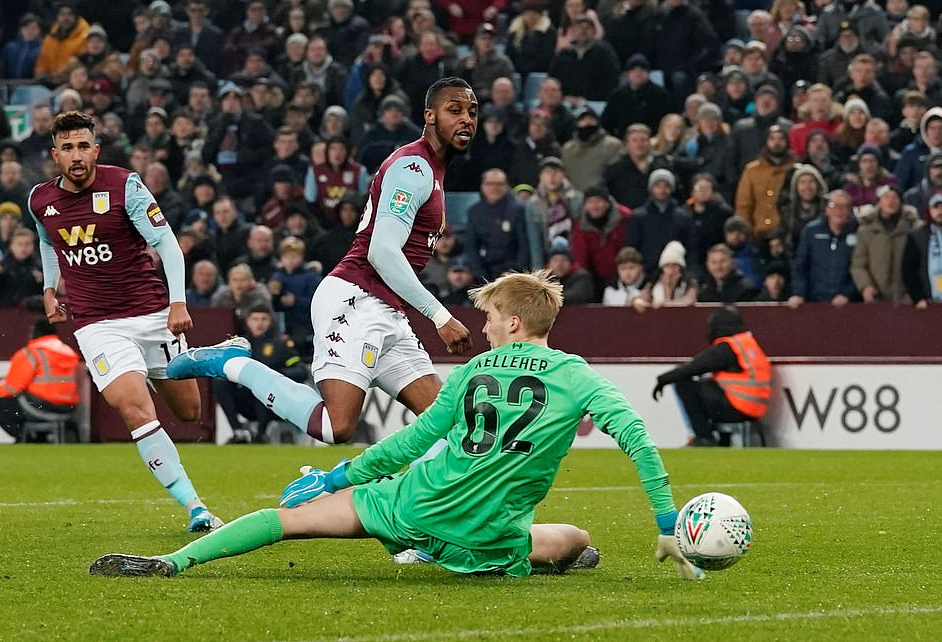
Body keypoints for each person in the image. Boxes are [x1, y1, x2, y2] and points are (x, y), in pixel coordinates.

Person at [90, 270, 703, 581]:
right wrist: (667, 524)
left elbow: (410, 442)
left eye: (490, 315)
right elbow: (640, 442)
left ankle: (173, 563)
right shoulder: (579, 377)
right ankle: (466, 553)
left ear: (514, 323)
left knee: (285, 522)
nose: (483, 324)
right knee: (572, 538)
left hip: (412, 505)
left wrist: (337, 478)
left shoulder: (472, 374)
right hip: (489, 535)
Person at [166, 78, 478, 446]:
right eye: (454, 110)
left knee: (448, 422)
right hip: (355, 299)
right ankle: (230, 364)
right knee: (336, 426)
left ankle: (399, 496)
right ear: (429, 116)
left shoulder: (433, 171)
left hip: (388, 311)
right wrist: (441, 316)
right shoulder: (414, 168)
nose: (466, 120)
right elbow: (381, 252)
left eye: (472, 112)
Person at [27, 110, 222, 533]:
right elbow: (47, 240)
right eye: (67, 148)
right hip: (98, 326)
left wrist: (177, 303)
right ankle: (196, 508)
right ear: (54, 155)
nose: (76, 156)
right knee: (136, 409)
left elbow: (168, 244)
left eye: (83, 146)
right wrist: (49, 287)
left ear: (95, 150)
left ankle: (198, 360)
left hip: (152, 315)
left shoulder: (124, 186)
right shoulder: (40, 200)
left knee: (190, 412)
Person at [653, 306, 770, 447]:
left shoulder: (727, 347)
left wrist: (664, 379)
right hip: (755, 409)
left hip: (737, 407)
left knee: (685, 385)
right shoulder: (747, 343)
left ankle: (704, 437)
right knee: (709, 383)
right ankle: (722, 440)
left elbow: (694, 367)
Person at [0, 318, 79, 443]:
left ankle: (24, 437)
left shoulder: (31, 353)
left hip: (41, 406)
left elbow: (12, 388)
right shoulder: (69, 352)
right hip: (69, 407)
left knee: (4, 403)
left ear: (34, 333)